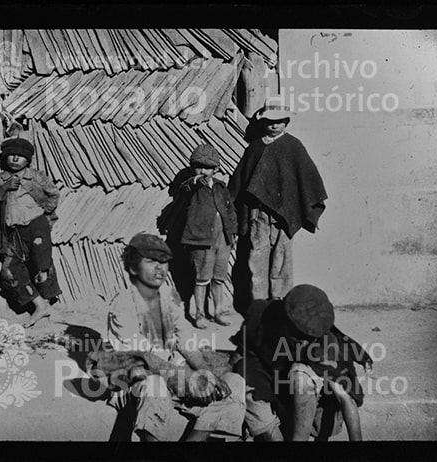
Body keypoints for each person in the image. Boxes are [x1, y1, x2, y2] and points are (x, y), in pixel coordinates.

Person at [105, 233, 246, 442]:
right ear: (133, 268)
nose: (160, 268)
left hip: (174, 374)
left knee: (234, 383)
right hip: (134, 382)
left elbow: (186, 341)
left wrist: (207, 374)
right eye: (151, 262)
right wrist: (188, 379)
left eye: (163, 262)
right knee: (154, 386)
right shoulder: (123, 305)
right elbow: (144, 358)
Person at [230, 284, 373, 441]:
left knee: (301, 379)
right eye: (299, 336)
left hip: (302, 399)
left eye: (308, 339)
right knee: (243, 381)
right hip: (269, 377)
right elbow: (243, 351)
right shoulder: (262, 316)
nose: (303, 342)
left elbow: (346, 399)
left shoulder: (325, 347)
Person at [228, 104, 327, 311]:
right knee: (257, 257)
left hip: (284, 216)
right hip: (259, 215)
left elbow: (308, 179)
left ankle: (280, 304)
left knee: (282, 259)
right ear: (263, 122)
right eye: (270, 121)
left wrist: (309, 209)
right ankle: (259, 306)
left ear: (287, 122)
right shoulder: (255, 148)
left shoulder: (293, 146)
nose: (275, 125)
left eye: (279, 121)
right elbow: (241, 180)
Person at [0, 136, 61, 328]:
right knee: (9, 272)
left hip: (35, 226)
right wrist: (3, 189)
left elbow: (53, 193)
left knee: (42, 264)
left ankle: (49, 303)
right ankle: (39, 305)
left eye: (20, 156)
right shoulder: (0, 178)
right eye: (11, 155)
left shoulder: (36, 176)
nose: (15, 159)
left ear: (28, 159)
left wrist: (44, 212)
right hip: (13, 232)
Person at [169, 144, 237, 329]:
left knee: (218, 277)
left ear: (216, 169)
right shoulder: (191, 187)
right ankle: (199, 313)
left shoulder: (221, 187)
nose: (203, 171)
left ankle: (218, 312)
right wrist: (192, 181)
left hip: (222, 239)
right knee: (201, 277)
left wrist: (232, 231)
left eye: (207, 167)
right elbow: (180, 191)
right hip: (200, 239)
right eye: (198, 166)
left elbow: (230, 210)